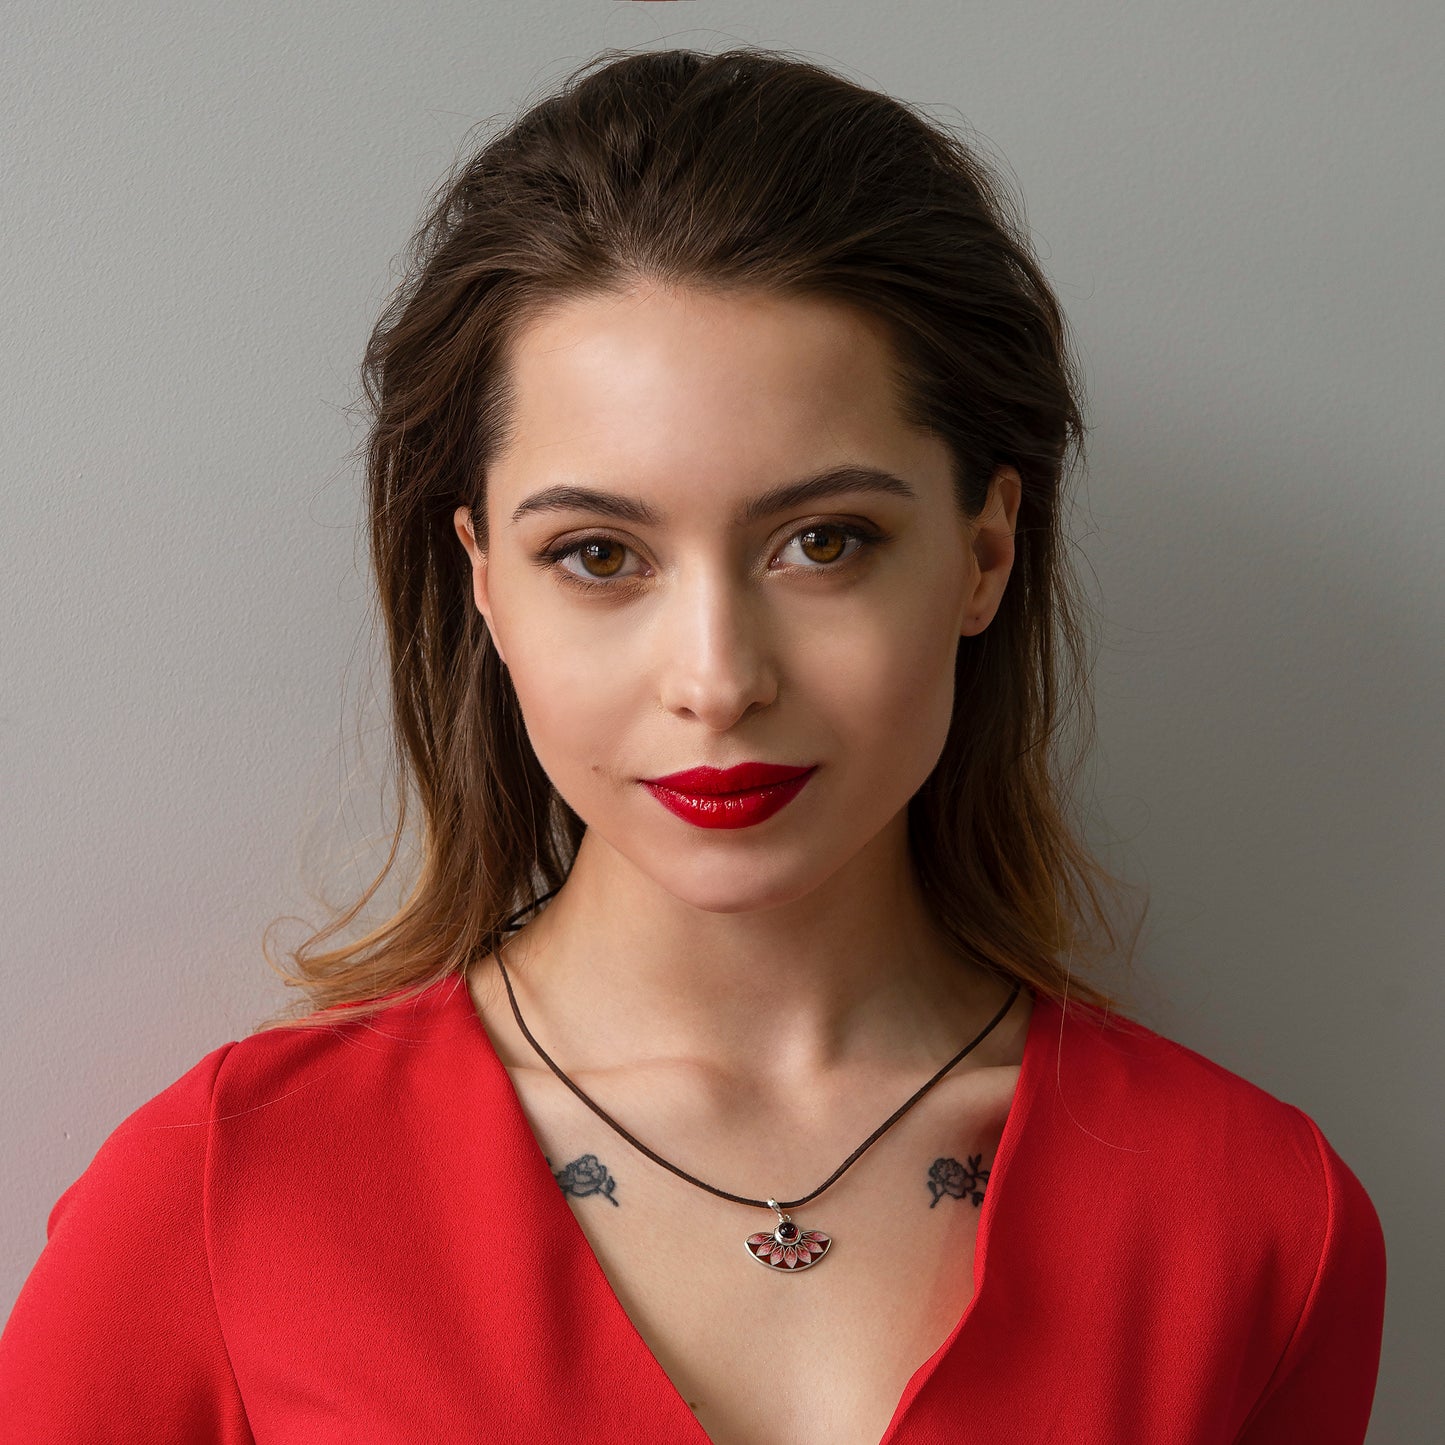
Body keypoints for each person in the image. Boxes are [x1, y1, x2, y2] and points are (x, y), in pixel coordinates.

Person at [0, 45, 1385, 1445]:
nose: (716, 680)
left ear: (983, 553)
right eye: (598, 552)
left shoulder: (1257, 1217)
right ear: (482, 576)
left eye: (823, 541)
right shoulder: (226, 1194)